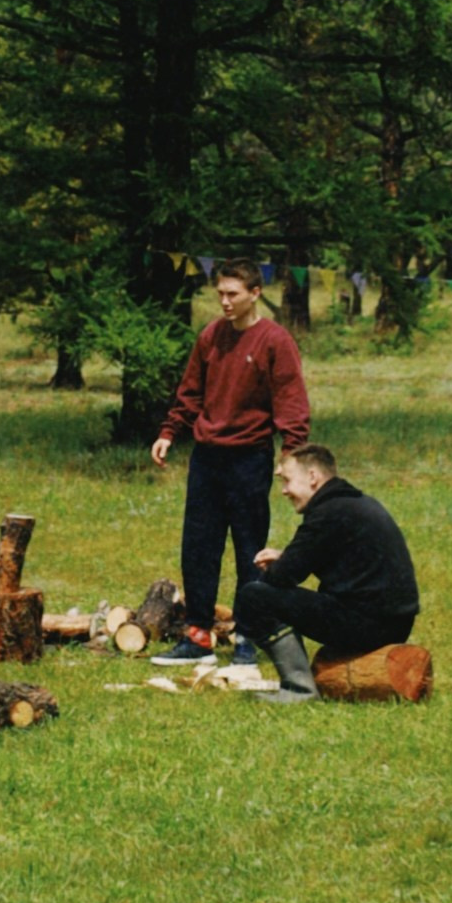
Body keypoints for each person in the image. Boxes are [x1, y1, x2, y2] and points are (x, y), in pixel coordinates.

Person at [149, 258, 310, 665]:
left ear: (255, 293)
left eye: (232, 294)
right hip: (207, 458)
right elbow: (190, 392)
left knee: (249, 551)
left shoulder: (275, 341)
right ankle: (198, 636)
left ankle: (247, 637)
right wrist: (169, 432)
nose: (224, 302)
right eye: (219, 293)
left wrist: (292, 452)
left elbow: (291, 400)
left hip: (249, 458)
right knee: (199, 548)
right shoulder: (211, 337)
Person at [235, 442, 421, 704]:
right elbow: (333, 559)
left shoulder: (327, 513)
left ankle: (299, 690)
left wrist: (281, 564)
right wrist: (285, 558)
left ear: (313, 477)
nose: (284, 491)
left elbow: (281, 578)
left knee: (254, 596)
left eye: (287, 480)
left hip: (370, 626)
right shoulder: (353, 503)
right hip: (395, 623)